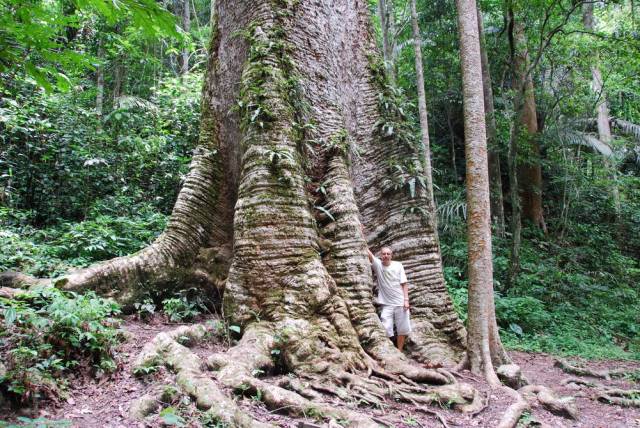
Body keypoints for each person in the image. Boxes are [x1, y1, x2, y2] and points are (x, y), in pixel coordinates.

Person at [361, 226, 411, 351]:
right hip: (386, 304)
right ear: (381, 255)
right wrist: (361, 232)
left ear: (391, 255)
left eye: (388, 254)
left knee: (402, 328)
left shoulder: (398, 265)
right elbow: (367, 251)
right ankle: (390, 351)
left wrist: (406, 300)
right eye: (384, 254)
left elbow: (404, 283)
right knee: (385, 328)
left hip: (400, 302)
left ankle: (399, 351)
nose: (386, 256)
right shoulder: (377, 264)